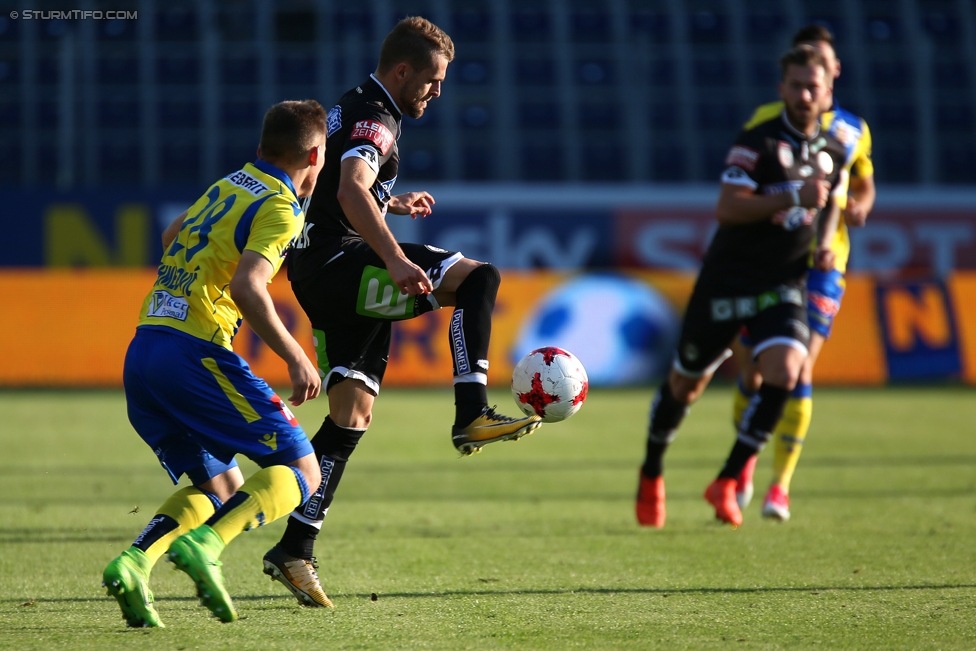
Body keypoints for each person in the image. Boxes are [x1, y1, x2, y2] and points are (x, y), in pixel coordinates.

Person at [260, 16, 541, 608]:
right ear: (403, 71)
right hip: (344, 267)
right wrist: (390, 254)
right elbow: (348, 189)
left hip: (318, 273)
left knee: (350, 418)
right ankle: (472, 412)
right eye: (432, 81)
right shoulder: (376, 116)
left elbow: (345, 187)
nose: (436, 93)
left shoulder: (350, 107)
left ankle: (294, 547)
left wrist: (391, 203)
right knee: (479, 280)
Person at [101, 100, 328, 626]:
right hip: (193, 351)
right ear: (315, 154)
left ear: (261, 148)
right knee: (302, 469)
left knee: (219, 487)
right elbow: (249, 286)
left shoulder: (231, 183)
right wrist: (296, 357)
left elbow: (169, 237)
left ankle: (135, 562)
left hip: (145, 348)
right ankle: (207, 547)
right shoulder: (281, 205)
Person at [635, 45, 848, 529]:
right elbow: (728, 208)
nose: (803, 94)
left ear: (828, 91)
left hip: (783, 283)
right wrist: (795, 194)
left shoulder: (835, 150)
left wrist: (826, 240)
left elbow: (833, 197)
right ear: (782, 89)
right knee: (684, 387)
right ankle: (651, 470)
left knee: (787, 370)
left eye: (812, 86)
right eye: (794, 85)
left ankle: (728, 479)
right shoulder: (757, 142)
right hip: (727, 282)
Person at [732, 24, 876, 522]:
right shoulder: (766, 122)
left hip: (822, 265)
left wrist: (859, 206)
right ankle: (743, 467)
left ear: (834, 74)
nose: (812, 82)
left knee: (799, 370)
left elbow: (863, 185)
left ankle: (780, 486)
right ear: (788, 79)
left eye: (824, 66)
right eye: (804, 71)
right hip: (770, 263)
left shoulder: (853, 130)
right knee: (752, 371)